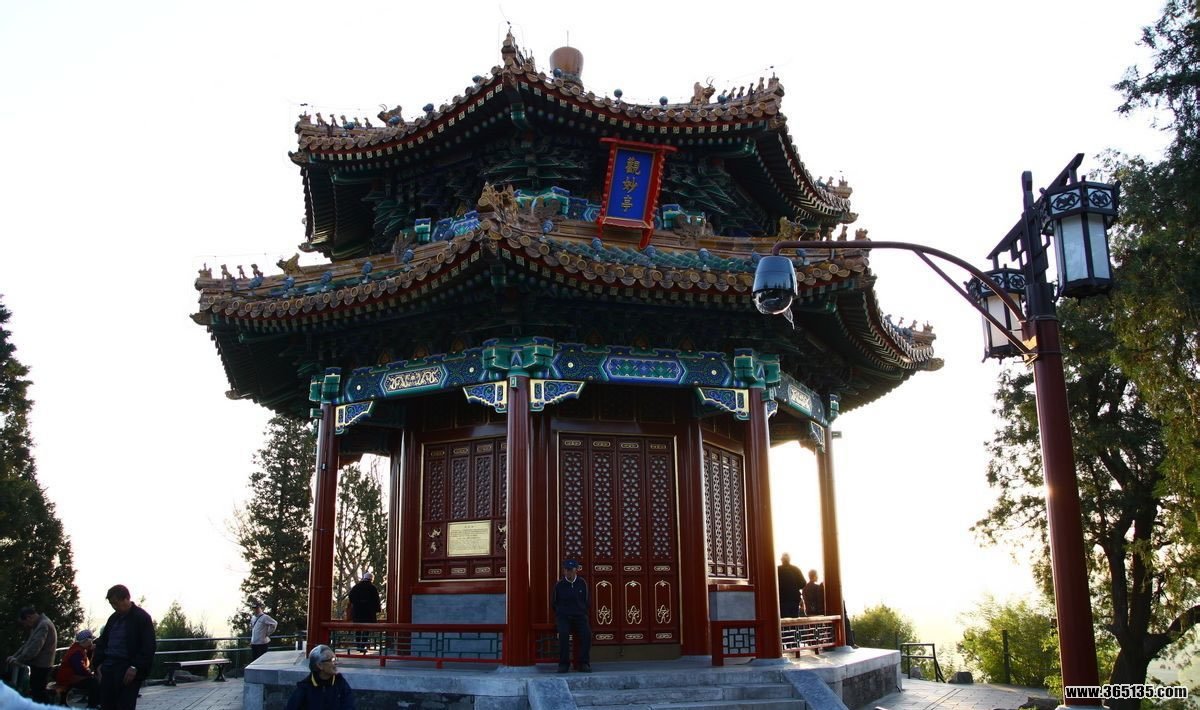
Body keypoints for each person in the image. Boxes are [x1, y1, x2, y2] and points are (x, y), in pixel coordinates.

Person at [93, 584, 156, 710]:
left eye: (116, 603)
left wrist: (135, 666)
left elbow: (148, 646)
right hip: (108, 667)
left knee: (124, 705)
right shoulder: (113, 618)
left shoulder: (141, 617)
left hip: (126, 668)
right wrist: (98, 664)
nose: (114, 607)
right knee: (107, 705)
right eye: (112, 604)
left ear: (126, 599)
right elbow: (102, 642)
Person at [5, 606, 57, 703]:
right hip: (40, 664)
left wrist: (18, 659)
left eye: (25, 623)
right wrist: (15, 656)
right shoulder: (39, 624)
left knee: (38, 693)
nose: (26, 626)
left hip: (42, 665)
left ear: (29, 617)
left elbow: (34, 648)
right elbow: (28, 644)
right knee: (37, 692)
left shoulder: (43, 625)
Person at [551, 559, 591, 673]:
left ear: (576, 570)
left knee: (587, 634)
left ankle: (583, 663)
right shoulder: (559, 585)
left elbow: (587, 601)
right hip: (564, 617)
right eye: (566, 570)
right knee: (563, 635)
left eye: (571, 570)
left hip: (579, 616)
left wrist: (582, 611)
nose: (568, 572)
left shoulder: (582, 583)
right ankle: (564, 664)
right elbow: (554, 602)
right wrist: (561, 612)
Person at [284, 644, 353, 710]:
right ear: (320, 665)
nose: (336, 663)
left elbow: (349, 706)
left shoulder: (340, 684)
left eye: (336, 659)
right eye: (332, 660)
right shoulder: (305, 688)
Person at [55, 629, 99, 708]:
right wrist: (90, 674)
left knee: (92, 680)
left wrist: (90, 650)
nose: (92, 642)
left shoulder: (79, 648)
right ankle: (92, 706)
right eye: (91, 640)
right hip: (68, 678)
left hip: (70, 676)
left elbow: (85, 663)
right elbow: (80, 669)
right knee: (94, 683)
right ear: (86, 640)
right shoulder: (77, 652)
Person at [346, 572, 380, 652]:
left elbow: (350, 596)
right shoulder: (372, 588)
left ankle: (358, 646)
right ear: (371, 579)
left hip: (357, 612)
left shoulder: (356, 587)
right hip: (368, 613)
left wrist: (357, 603)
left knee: (358, 629)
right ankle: (362, 646)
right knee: (366, 630)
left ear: (364, 578)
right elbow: (376, 600)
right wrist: (376, 609)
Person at [776, 553, 804, 618]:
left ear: (781, 560)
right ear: (789, 559)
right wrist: (795, 586)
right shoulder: (796, 569)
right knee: (794, 619)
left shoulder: (777, 570)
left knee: (784, 620)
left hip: (781, 600)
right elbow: (803, 583)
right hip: (794, 600)